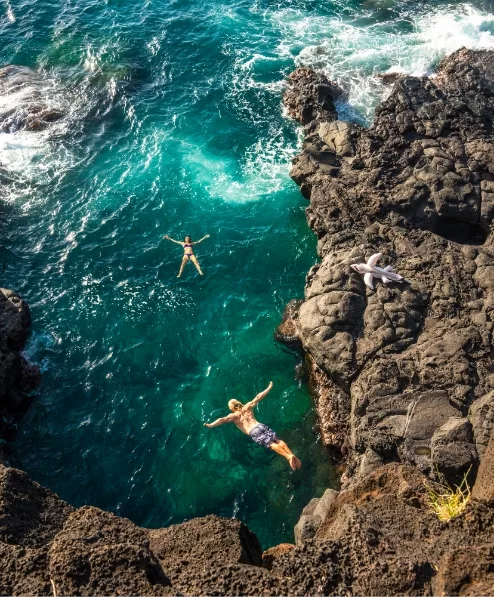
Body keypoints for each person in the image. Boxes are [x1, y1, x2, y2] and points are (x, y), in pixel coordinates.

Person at [204, 381, 302, 470]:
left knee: (272, 445)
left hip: (254, 431)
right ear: (238, 402)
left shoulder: (234, 416)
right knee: (278, 440)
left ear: (231, 408)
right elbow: (258, 397)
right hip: (260, 425)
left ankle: (288, 457)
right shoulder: (247, 406)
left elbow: (223, 419)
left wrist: (211, 425)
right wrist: (268, 388)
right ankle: (291, 454)